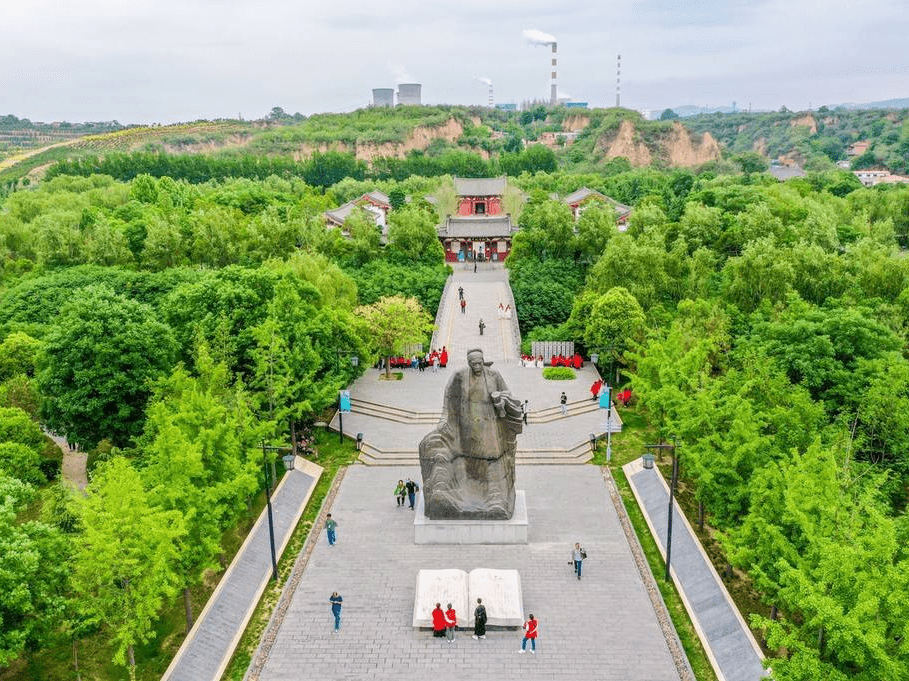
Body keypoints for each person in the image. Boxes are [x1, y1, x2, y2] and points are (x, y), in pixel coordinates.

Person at [418, 348, 524, 519]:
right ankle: (466, 493)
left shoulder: (494, 375)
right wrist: (444, 419)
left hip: (488, 425)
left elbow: (508, 395)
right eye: (474, 363)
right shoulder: (459, 376)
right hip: (467, 426)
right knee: (467, 459)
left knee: (492, 459)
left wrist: (501, 399)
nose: (477, 366)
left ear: (483, 361)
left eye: (480, 363)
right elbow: (449, 398)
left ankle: (495, 496)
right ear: (469, 363)